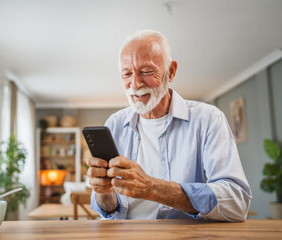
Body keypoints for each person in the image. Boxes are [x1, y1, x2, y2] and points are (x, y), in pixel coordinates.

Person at [86, 30, 252, 221]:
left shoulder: (208, 119)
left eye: (146, 71)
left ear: (171, 71)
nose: (136, 83)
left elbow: (236, 202)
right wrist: (104, 192)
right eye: (127, 74)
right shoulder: (114, 124)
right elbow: (107, 209)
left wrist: (152, 188)